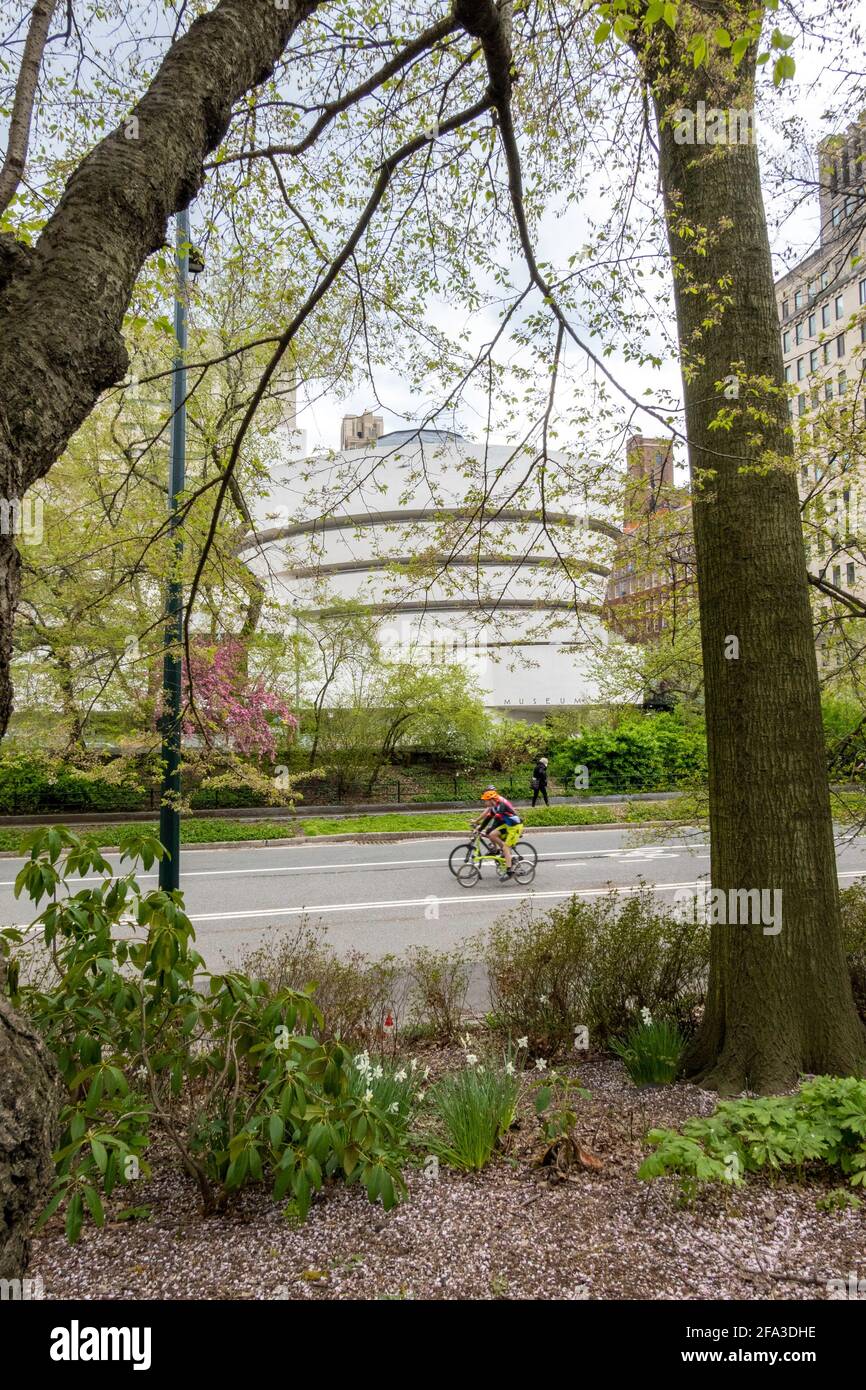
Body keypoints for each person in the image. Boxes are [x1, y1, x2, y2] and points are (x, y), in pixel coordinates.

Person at [471, 785, 523, 876]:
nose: (484, 803)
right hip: (507, 825)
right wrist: (479, 829)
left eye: (485, 801)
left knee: (505, 846)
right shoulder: (494, 806)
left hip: (514, 827)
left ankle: (509, 869)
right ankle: (502, 850)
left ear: (491, 800)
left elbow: (497, 821)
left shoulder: (501, 806)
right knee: (491, 834)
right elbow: (487, 819)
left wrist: (487, 829)